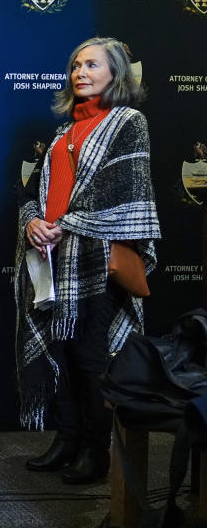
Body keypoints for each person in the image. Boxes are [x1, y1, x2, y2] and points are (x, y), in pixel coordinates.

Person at [16, 37, 160, 484]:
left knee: (91, 355)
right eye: (76, 65)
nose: (80, 72)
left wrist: (70, 222)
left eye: (92, 65)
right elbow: (35, 191)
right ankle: (67, 437)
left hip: (95, 257)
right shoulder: (62, 133)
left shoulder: (127, 122)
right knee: (59, 347)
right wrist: (32, 223)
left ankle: (97, 450)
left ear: (115, 74)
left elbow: (123, 191)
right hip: (51, 256)